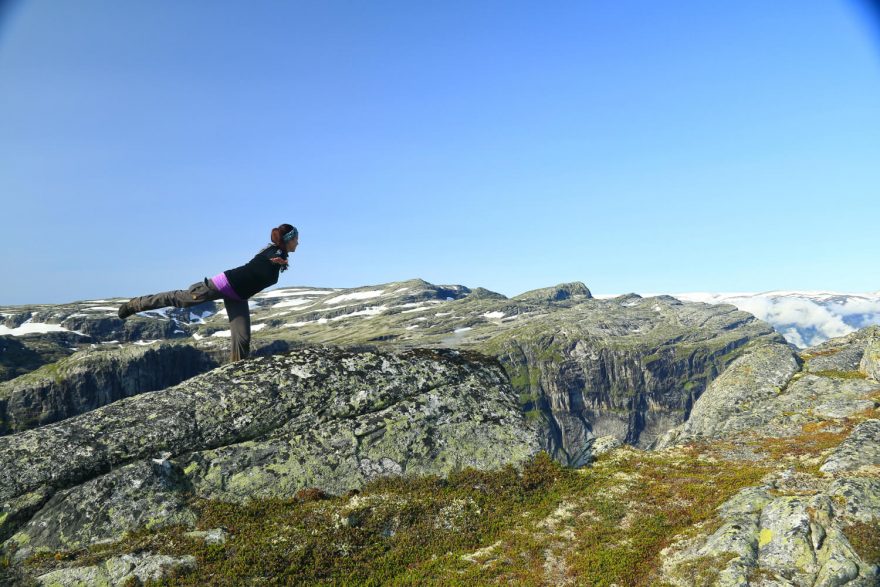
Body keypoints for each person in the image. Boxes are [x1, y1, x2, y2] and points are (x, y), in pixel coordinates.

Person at [118, 223, 299, 362]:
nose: (298, 242)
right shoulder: (274, 252)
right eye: (295, 239)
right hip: (222, 285)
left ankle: (235, 372)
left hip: (238, 297)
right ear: (288, 240)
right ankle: (136, 304)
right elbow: (270, 256)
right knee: (181, 299)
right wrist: (277, 259)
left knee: (242, 338)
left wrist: (280, 260)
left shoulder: (277, 254)